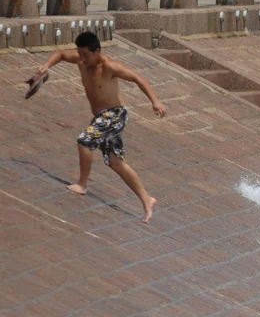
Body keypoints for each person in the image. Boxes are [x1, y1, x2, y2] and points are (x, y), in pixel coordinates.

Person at [35, 32, 168, 224]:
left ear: (98, 51)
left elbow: (138, 79)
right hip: (101, 117)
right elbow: (62, 55)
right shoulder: (81, 60)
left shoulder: (110, 66)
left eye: (86, 55)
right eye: (80, 54)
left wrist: (155, 102)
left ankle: (82, 184)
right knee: (116, 162)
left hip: (115, 115)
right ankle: (147, 200)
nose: (82, 59)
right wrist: (46, 66)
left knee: (84, 141)